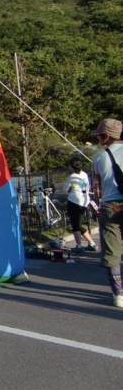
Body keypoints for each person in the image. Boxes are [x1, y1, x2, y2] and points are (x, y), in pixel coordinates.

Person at [90, 118, 123, 308]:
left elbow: (97, 180)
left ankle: (119, 293)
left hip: (111, 206)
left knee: (112, 251)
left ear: (106, 136)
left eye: (99, 135)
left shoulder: (100, 157)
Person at [63, 155, 97, 253]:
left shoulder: (72, 177)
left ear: (71, 166)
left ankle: (79, 245)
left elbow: (65, 189)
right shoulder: (85, 175)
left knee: (75, 225)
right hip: (84, 201)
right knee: (78, 223)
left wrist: (70, 189)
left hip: (74, 201)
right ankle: (91, 243)